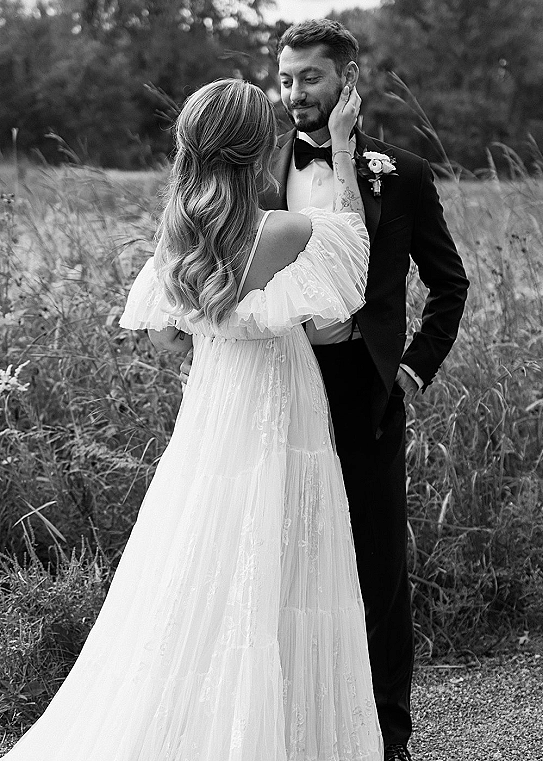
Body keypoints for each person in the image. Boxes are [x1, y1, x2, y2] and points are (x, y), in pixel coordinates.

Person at [3, 79, 383, 761]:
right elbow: (353, 254)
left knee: (203, 548)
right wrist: (346, 149)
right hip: (278, 401)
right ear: (261, 147)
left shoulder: (178, 231)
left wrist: (224, 318)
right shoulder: (288, 230)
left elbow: (167, 339)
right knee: (285, 557)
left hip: (214, 408)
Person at [183, 21, 469, 760]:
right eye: (284, 78)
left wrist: (410, 367)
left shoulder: (399, 171)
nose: (293, 93)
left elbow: (448, 283)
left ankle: (387, 733)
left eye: (309, 77)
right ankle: (289, 726)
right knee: (275, 552)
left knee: (375, 563)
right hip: (276, 380)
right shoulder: (254, 166)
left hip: (362, 387)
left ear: (347, 76)